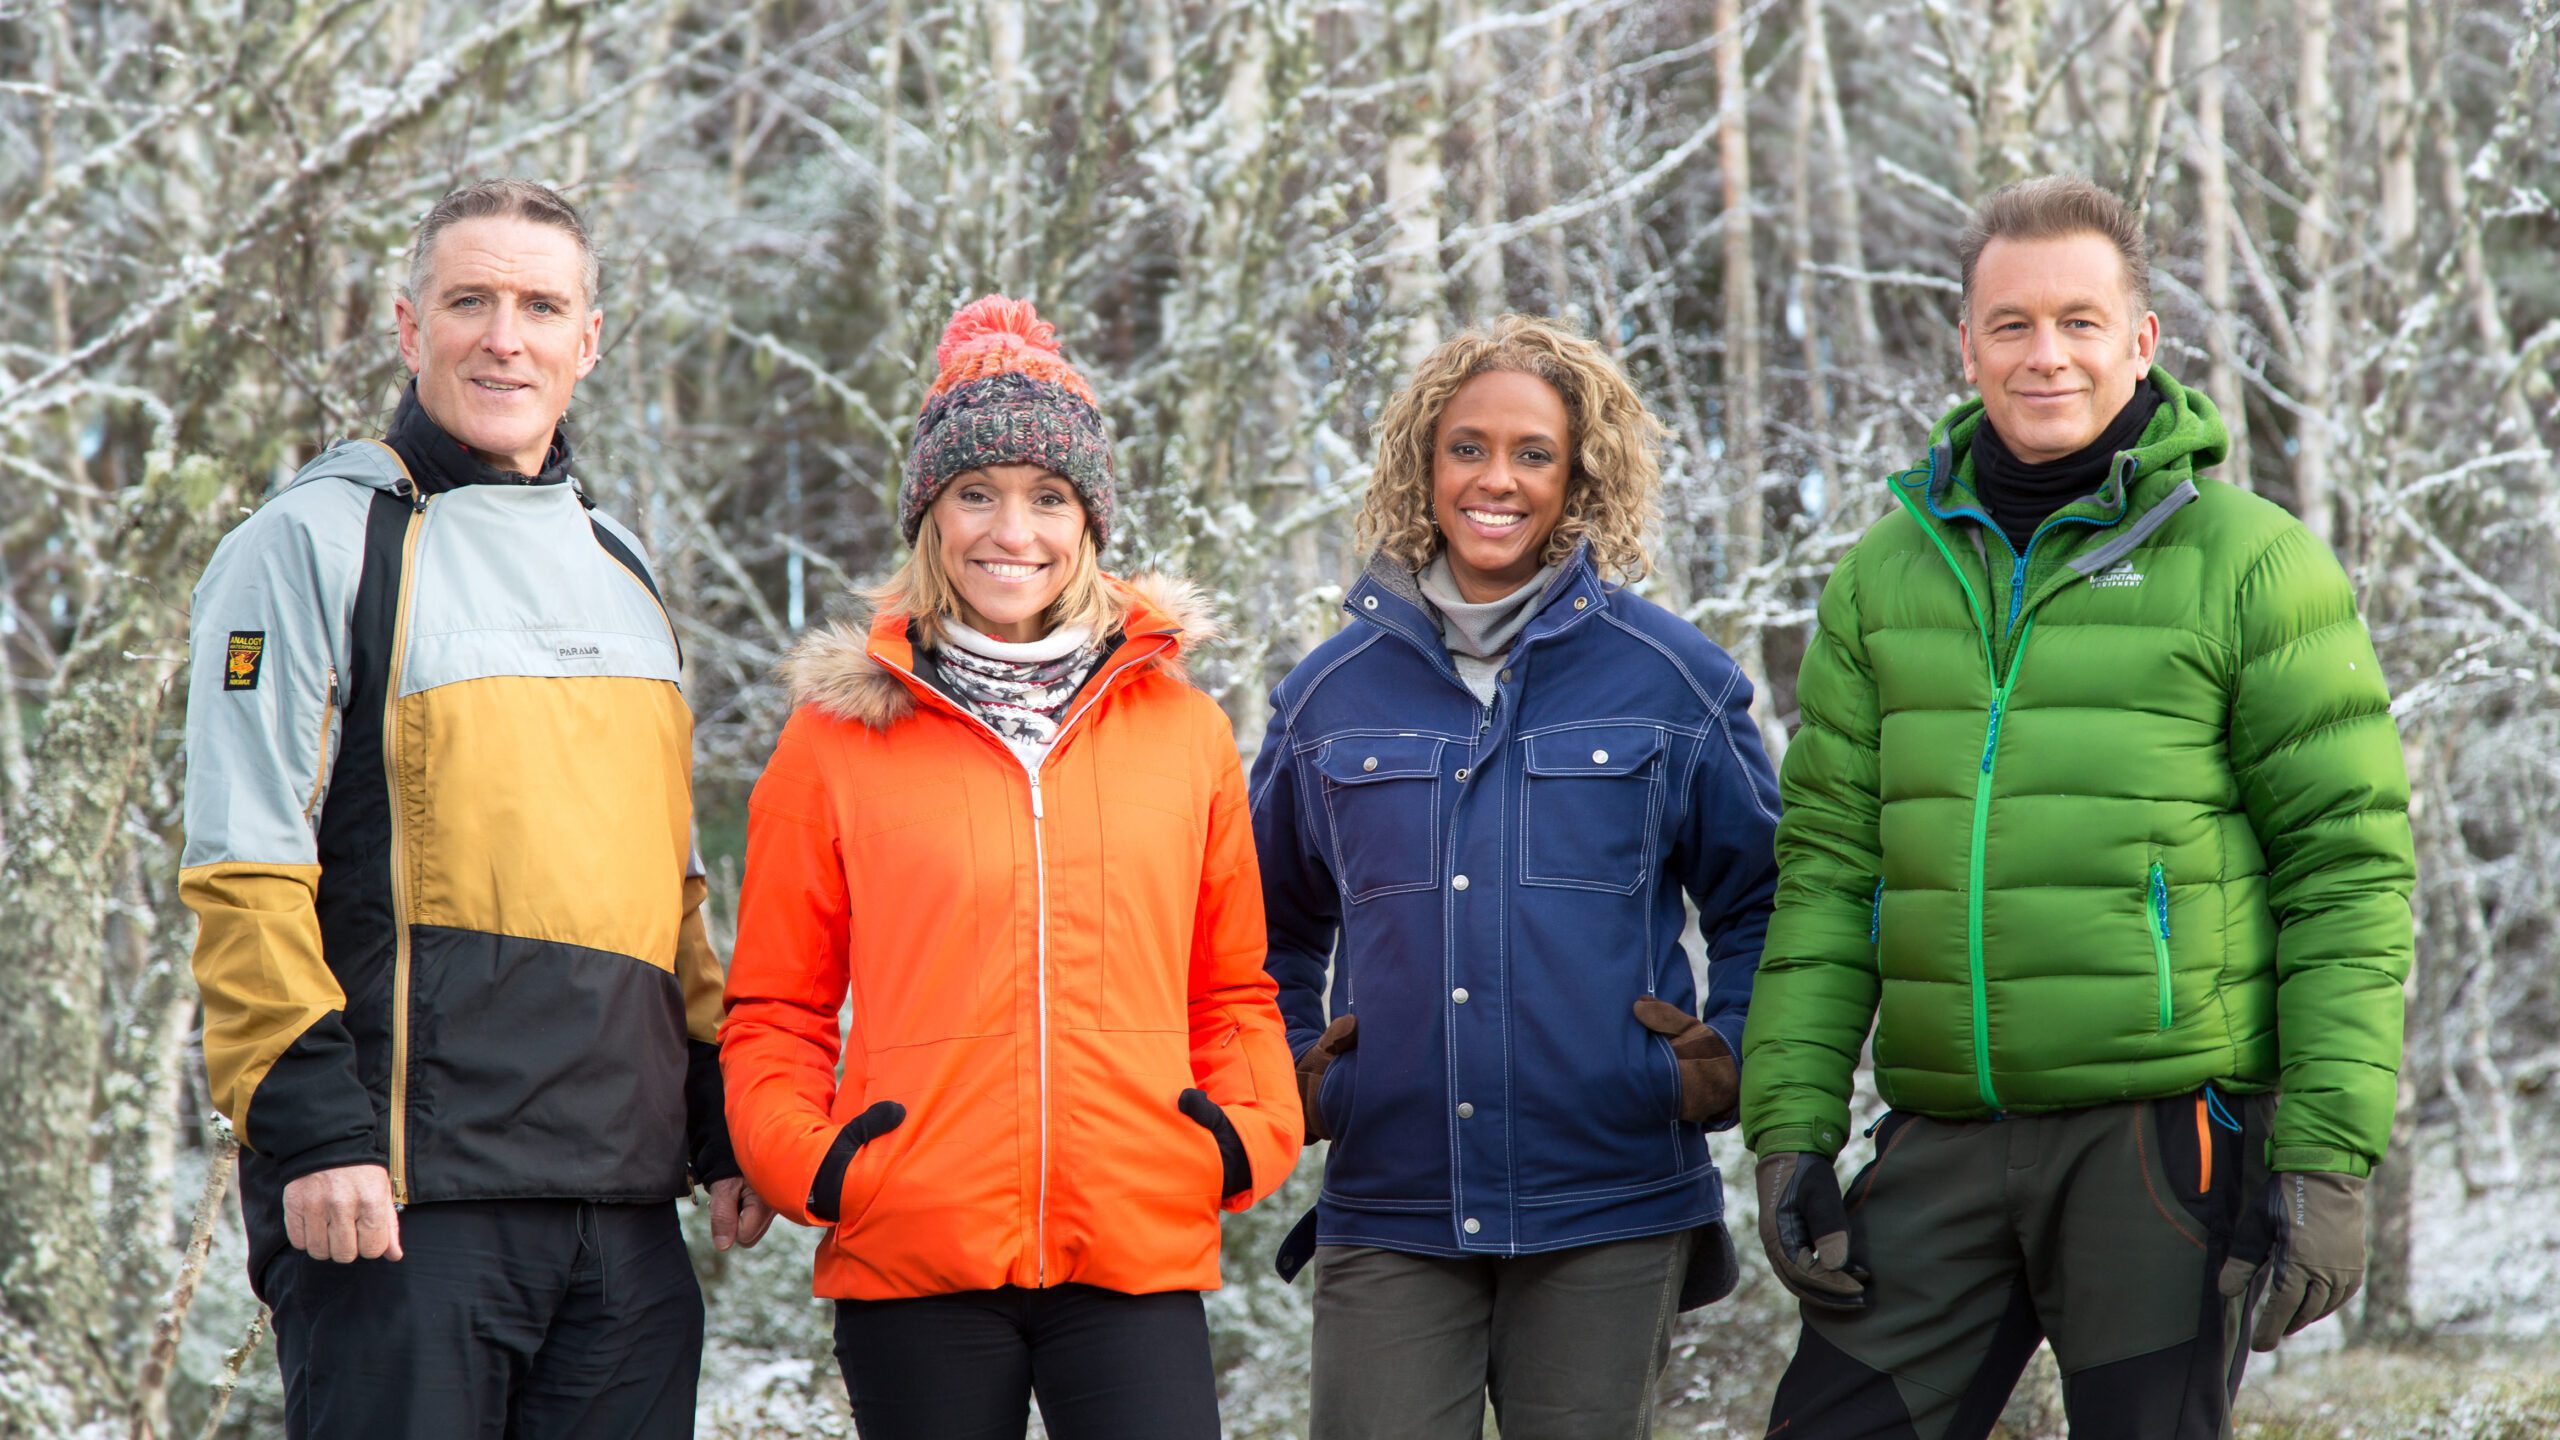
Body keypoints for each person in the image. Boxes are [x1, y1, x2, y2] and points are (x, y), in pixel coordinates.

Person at [1743, 176, 2415, 1438]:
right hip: (1941, 1137)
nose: (2043, 354)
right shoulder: (1883, 577)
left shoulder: (2251, 561)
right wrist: (1790, 1125)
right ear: (1967, 345)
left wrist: (2326, 1156)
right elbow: (1829, 869)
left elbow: (2346, 873)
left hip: (2158, 1145)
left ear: (2140, 341)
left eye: (2079, 321)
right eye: (2011, 324)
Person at [180, 179, 764, 1438]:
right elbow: (243, 863)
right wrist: (314, 1131)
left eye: (541, 307)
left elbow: (667, 887)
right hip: (401, 1205)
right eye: (470, 302)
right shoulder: (312, 543)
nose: (506, 338)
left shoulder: (623, 567)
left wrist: (723, 1115)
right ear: (409, 326)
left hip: (623, 1217)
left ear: (588, 342)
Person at [720, 295, 1300, 1440]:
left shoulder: (1181, 730)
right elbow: (778, 1004)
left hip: (1133, 1242)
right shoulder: (834, 738)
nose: (1011, 531)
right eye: (975, 493)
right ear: (929, 516)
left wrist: (1236, 1138)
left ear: (1088, 521)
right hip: (911, 1249)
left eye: (1047, 497)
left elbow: (1231, 989)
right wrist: (822, 1169)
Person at [1249, 314, 1782, 1439]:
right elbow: (1263, 929)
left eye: (1532, 453)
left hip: (1611, 1197)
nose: (1497, 480)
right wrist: (1304, 1075)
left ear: (1578, 474)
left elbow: (1766, 902)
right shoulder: (1326, 697)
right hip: (1392, 1199)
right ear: (1424, 464)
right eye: (1468, 448)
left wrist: (1722, 1058)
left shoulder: (1672, 679)